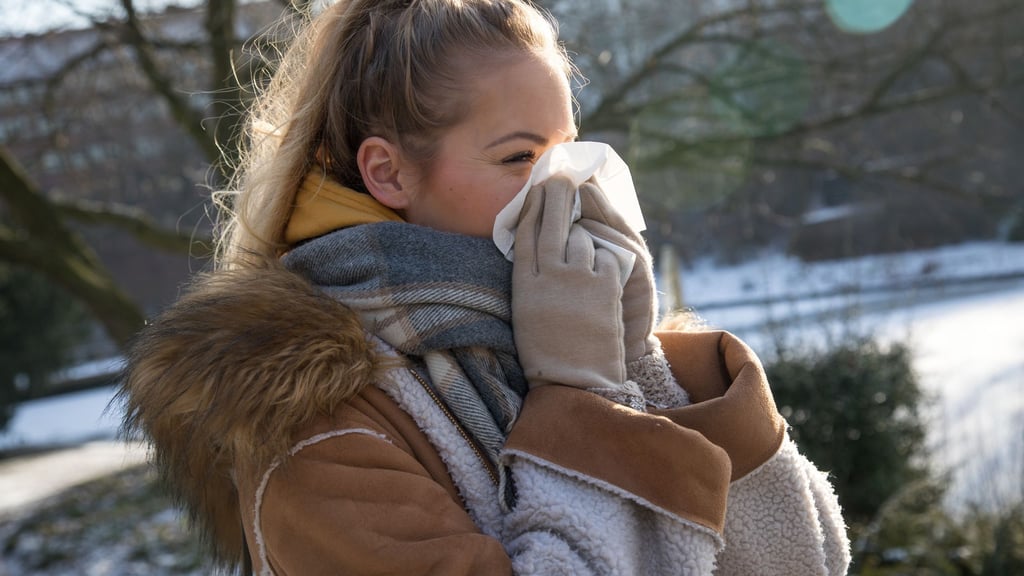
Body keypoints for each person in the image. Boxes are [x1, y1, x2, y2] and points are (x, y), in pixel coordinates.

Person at [118, 0, 851, 574]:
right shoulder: (315, 427)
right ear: (389, 173)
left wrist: (638, 367)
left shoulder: (571, 334)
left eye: (568, 150)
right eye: (518, 156)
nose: (563, 187)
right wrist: (578, 399)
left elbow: (806, 559)